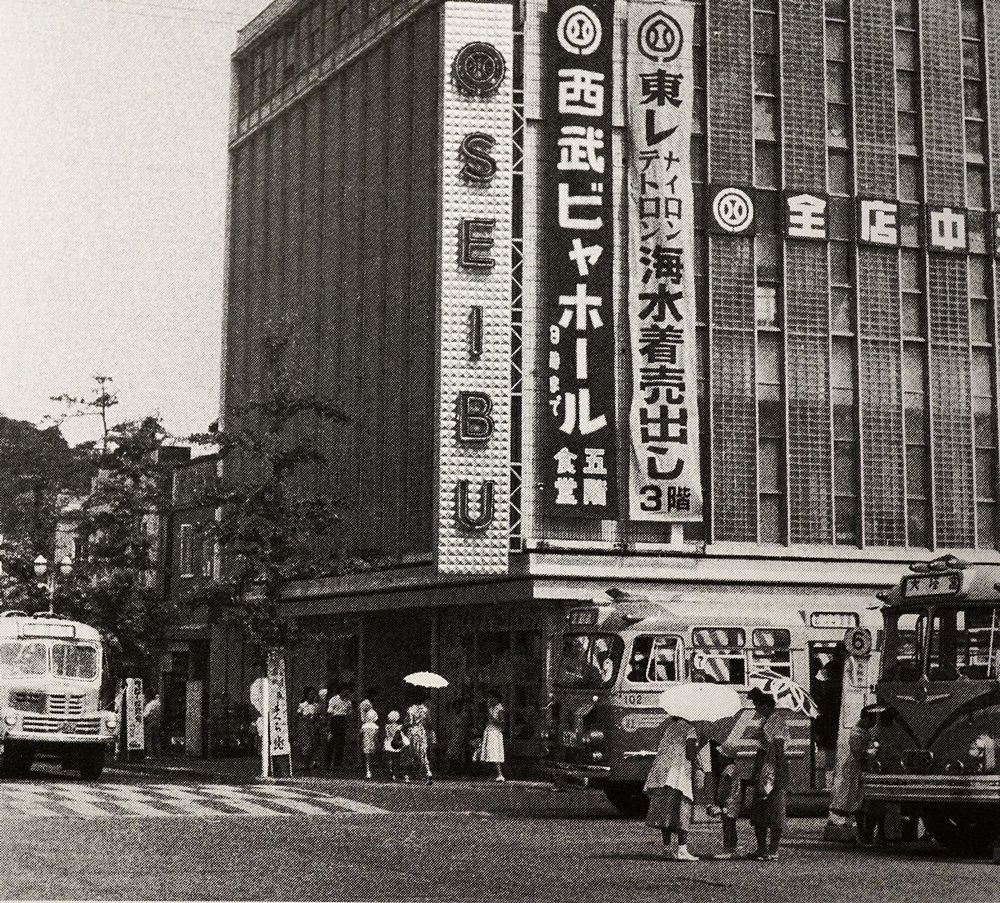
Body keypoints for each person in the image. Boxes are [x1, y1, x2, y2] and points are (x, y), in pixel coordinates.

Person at [644, 715, 701, 861]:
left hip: (662, 774)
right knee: (682, 810)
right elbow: (690, 755)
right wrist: (701, 744)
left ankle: (667, 848)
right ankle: (682, 849)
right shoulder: (690, 729)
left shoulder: (670, 728)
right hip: (678, 774)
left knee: (666, 812)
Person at [746, 687, 789, 860]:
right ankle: (762, 848)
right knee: (760, 809)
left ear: (764, 705)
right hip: (764, 764)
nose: (755, 708)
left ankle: (772, 850)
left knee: (775, 809)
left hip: (773, 766)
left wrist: (762, 739)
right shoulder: (766, 721)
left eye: (756, 705)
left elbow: (778, 749)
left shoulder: (777, 721)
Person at [406, 691, 434, 784]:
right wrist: (430, 730)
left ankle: (409, 775)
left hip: (413, 731)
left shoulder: (411, 709)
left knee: (412, 753)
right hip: (421, 731)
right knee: (423, 752)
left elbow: (409, 722)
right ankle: (428, 772)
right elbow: (429, 722)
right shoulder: (425, 709)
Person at [479, 689, 506, 782]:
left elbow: (502, 724)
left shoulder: (499, 708)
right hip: (489, 731)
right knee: (488, 753)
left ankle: (500, 774)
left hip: (495, 733)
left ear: (496, 698)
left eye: (491, 697)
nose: (490, 699)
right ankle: (492, 774)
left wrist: (492, 718)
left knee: (494, 754)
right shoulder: (491, 708)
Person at [325, 685, 353, 769]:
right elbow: (330, 713)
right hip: (335, 720)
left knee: (341, 743)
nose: (347, 694)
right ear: (342, 691)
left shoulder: (348, 702)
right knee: (331, 742)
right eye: (346, 692)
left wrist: (348, 722)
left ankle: (338, 764)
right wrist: (329, 725)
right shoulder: (333, 699)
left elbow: (349, 713)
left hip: (343, 721)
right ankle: (327, 763)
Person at [294, 687, 322, 770]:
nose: (312, 696)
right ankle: (303, 763)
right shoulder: (302, 705)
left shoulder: (316, 706)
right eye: (311, 694)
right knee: (306, 744)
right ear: (307, 695)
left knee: (313, 745)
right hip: (304, 727)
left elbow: (318, 716)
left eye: (314, 694)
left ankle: (311, 763)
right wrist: (305, 717)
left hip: (313, 727)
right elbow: (298, 716)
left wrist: (316, 717)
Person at [444, 698, 471, 776]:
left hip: (460, 735)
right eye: (455, 706)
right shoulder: (453, 715)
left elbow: (465, 726)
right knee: (450, 752)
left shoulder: (464, 715)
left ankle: (456, 770)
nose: (457, 708)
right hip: (453, 735)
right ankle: (450, 768)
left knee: (457, 752)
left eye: (458, 706)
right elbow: (450, 725)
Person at [384, 710, 407, 782]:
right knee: (396, 759)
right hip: (396, 743)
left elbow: (387, 735)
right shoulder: (399, 726)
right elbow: (401, 735)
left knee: (389, 759)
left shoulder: (386, 726)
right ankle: (395, 772)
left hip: (388, 742)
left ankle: (390, 771)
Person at [360, 709, 379, 780]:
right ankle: (372, 769)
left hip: (366, 742)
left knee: (366, 757)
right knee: (372, 756)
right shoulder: (376, 727)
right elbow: (376, 736)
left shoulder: (364, 726)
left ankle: (368, 770)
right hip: (373, 743)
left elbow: (361, 733)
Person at [143, 690, 162, 758]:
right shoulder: (159, 704)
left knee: (149, 739)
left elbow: (145, 715)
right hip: (157, 722)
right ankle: (158, 754)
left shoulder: (149, 705)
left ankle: (149, 754)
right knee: (156, 738)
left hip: (150, 722)